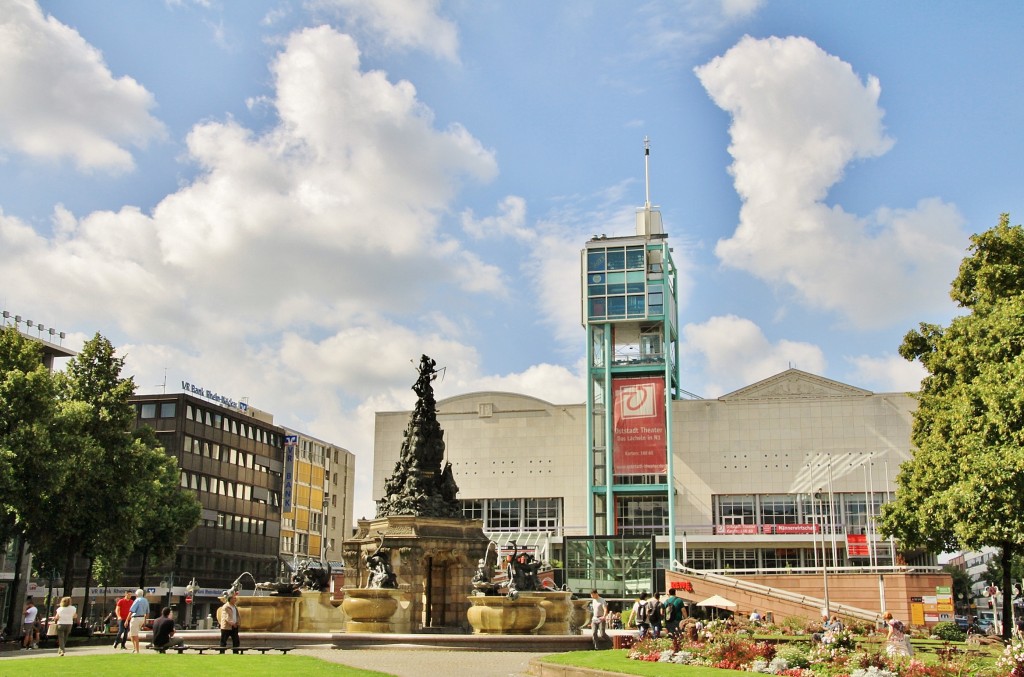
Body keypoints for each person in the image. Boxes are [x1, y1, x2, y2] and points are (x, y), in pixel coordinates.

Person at [127, 588, 151, 653]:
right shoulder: (146, 600)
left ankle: (137, 650)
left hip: (135, 618)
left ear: (136, 594)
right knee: (132, 634)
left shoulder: (137, 600)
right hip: (142, 618)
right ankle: (135, 648)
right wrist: (145, 621)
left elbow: (132, 610)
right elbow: (147, 612)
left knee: (134, 634)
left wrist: (127, 620)